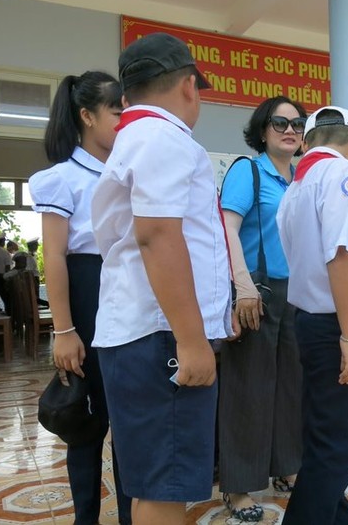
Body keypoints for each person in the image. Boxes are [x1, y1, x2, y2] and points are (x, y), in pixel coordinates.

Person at [90, 32, 234, 525]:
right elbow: (157, 236)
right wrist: (192, 340)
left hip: (146, 331)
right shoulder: (164, 137)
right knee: (164, 485)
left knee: (154, 479)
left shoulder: (136, 137)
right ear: (190, 86)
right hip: (162, 335)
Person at [28, 70, 131, 525]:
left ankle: (133, 514)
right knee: (86, 422)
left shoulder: (127, 170)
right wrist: (64, 330)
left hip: (127, 294)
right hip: (86, 295)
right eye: (117, 111)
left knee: (128, 421)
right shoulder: (61, 178)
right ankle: (85, 518)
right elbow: (55, 257)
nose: (125, 119)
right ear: (88, 116)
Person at [277, 106, 348, 525]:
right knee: (337, 444)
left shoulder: (296, 187)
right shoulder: (342, 176)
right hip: (337, 326)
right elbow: (341, 255)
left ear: (305, 141)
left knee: (322, 434)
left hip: (313, 320)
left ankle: (339, 518)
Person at [218, 96, 306, 521]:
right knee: (248, 390)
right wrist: (242, 286)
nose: (290, 130)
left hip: (298, 295)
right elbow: (227, 229)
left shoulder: (300, 180)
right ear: (262, 128)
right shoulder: (248, 171)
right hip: (258, 292)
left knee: (290, 387)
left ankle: (285, 467)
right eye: (280, 122)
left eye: (297, 123)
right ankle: (236, 486)